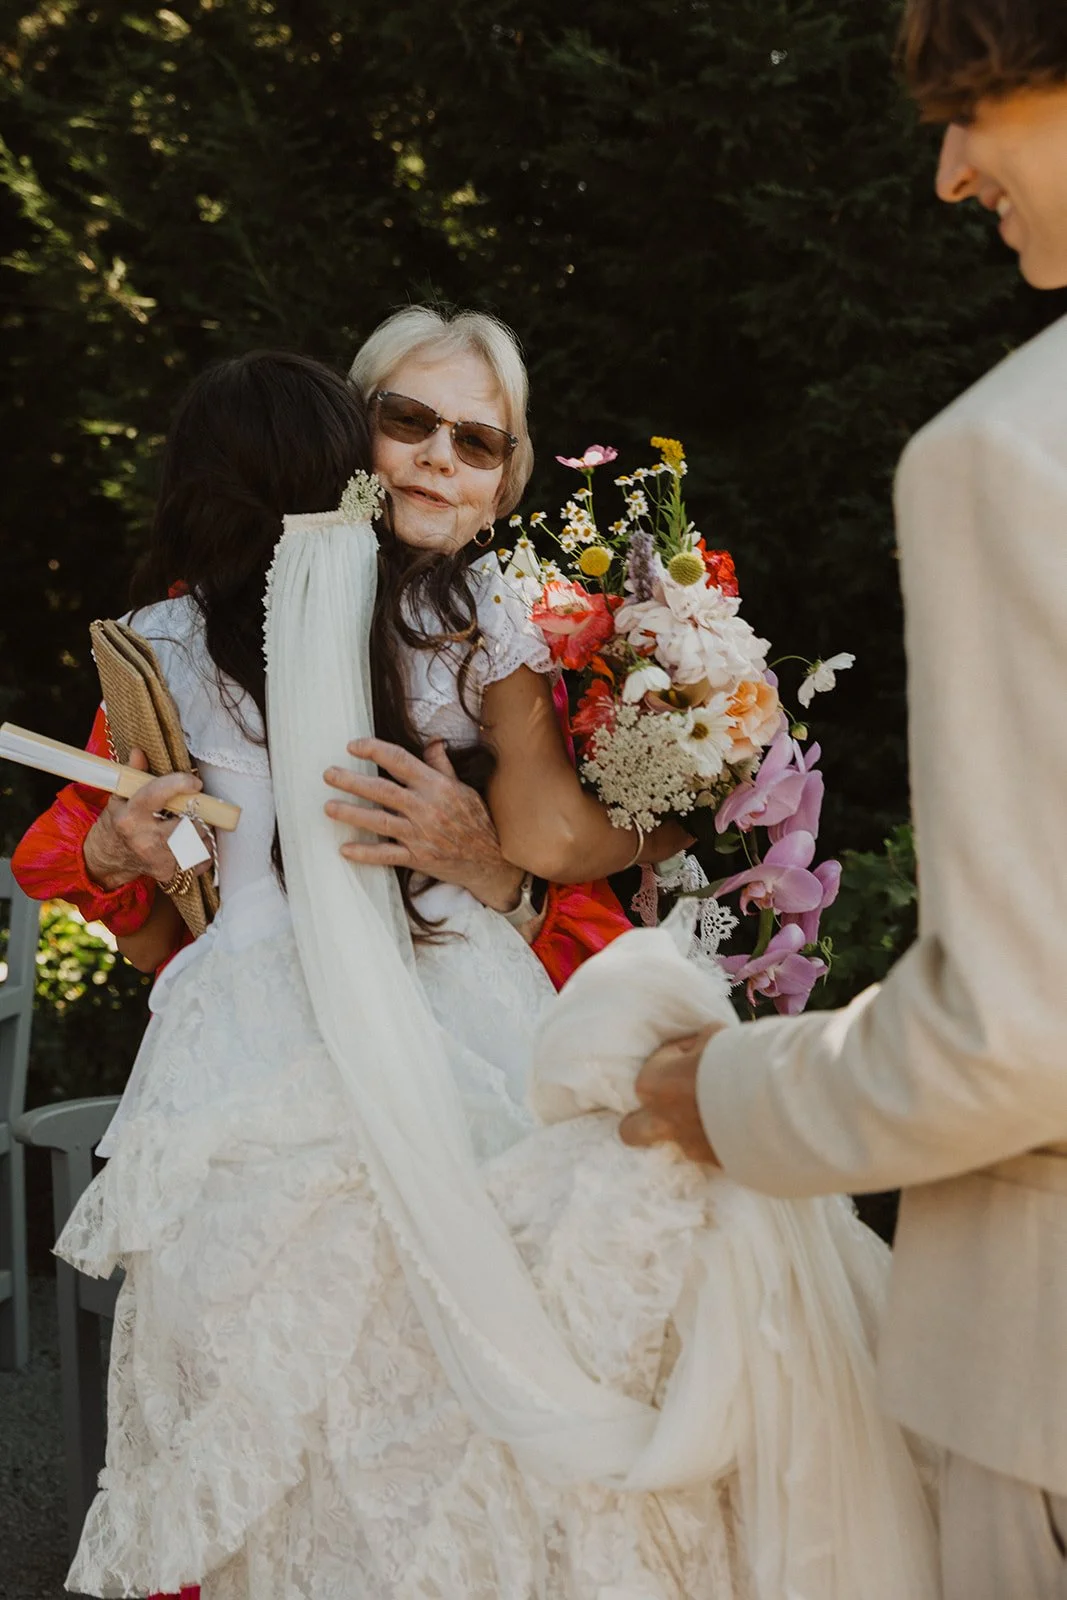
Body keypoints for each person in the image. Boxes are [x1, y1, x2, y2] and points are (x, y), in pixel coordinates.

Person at [13, 334, 939, 1599]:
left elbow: (552, 842)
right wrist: (128, 853)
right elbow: (140, 895)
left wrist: (631, 821)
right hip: (314, 1018)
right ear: (352, 442)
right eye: (408, 422)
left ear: (507, 482)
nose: (439, 457)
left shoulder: (331, 621)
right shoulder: (396, 619)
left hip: (390, 994)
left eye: (478, 439)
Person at [624, 3, 1067, 1595]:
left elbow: (1016, 1034)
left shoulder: (1011, 456)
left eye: (976, 104)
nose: (949, 171)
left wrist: (726, 1095)